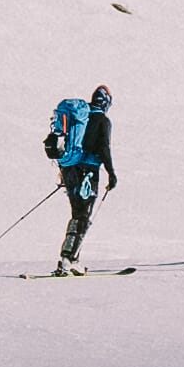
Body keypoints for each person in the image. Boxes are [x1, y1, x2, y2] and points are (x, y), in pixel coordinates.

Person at [51, 83, 118, 275]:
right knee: (83, 215)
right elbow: (103, 147)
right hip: (88, 173)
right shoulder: (102, 120)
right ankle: (68, 259)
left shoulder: (82, 117)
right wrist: (111, 173)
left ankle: (71, 258)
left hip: (70, 169)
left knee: (77, 213)